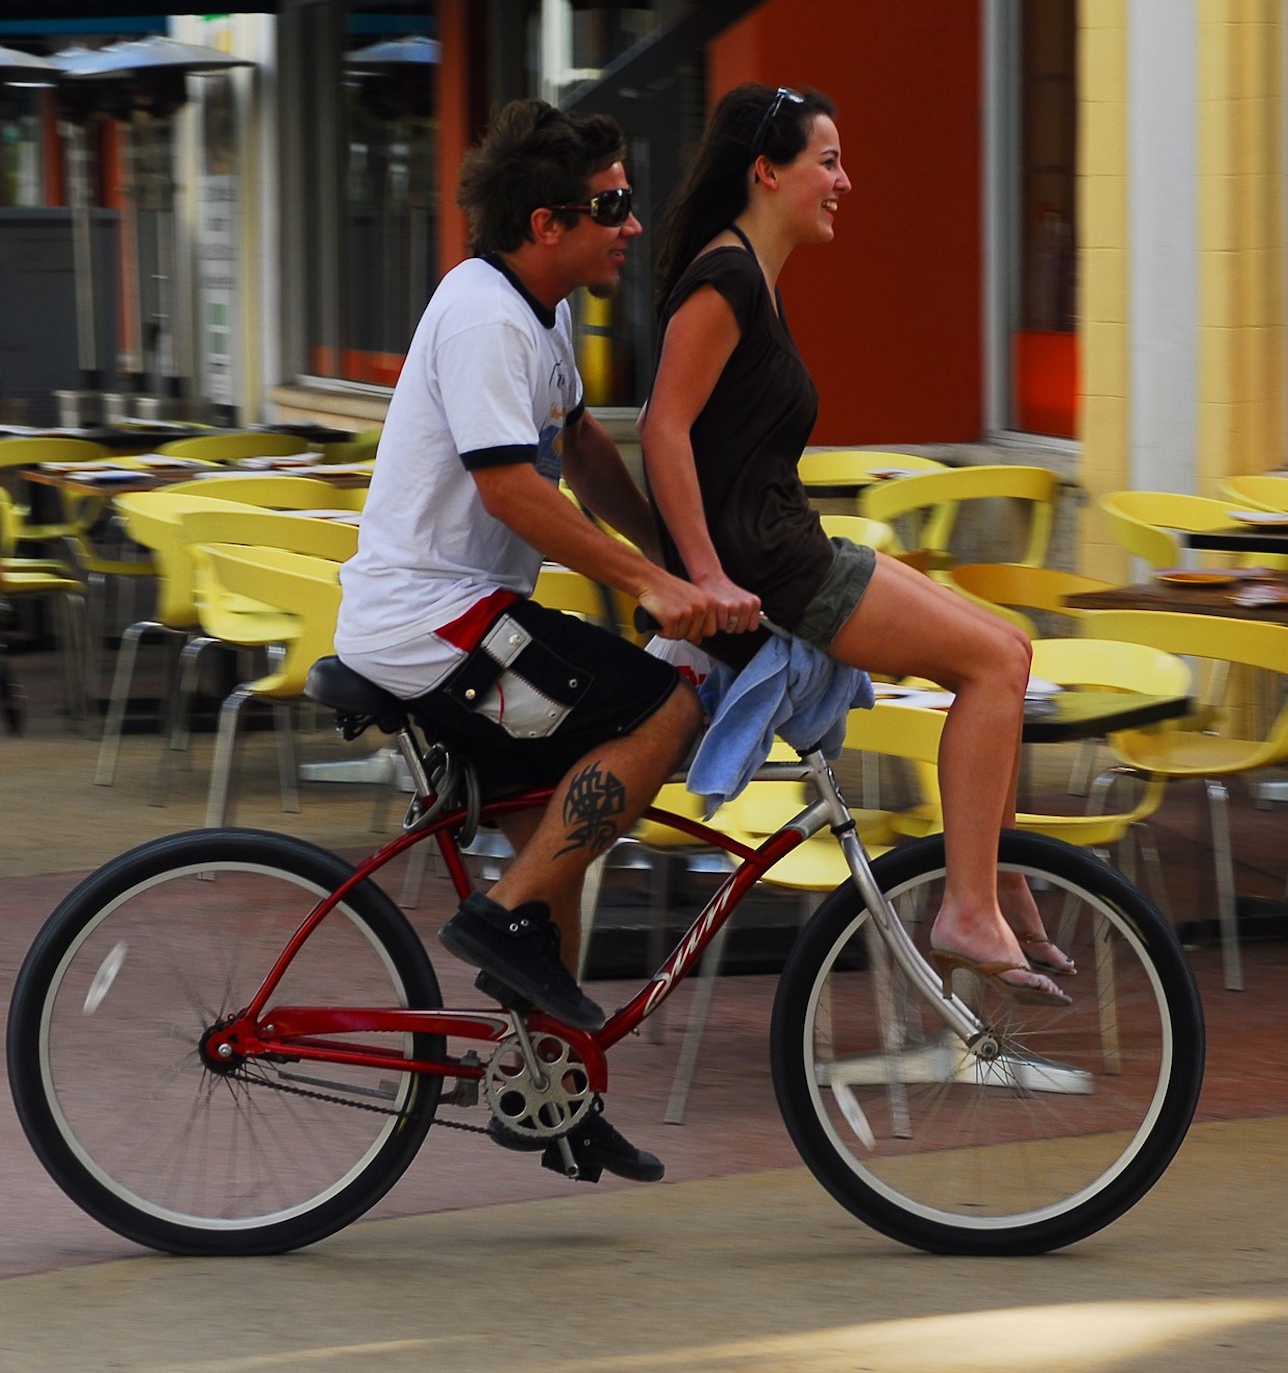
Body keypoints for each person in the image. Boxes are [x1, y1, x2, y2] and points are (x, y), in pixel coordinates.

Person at [335, 99, 720, 1183]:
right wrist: (651, 585)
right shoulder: (484, 318)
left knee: (568, 829)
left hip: (463, 617)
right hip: (432, 624)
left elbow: (582, 448)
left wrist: (678, 561)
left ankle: (554, 1089)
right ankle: (499, 924)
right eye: (612, 206)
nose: (632, 225)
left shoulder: (540, 314)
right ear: (546, 224)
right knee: (662, 705)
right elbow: (509, 488)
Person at [641, 82, 1069, 1006]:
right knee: (995, 667)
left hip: (788, 550)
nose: (846, 180)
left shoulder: (749, 275)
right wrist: (704, 574)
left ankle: (993, 883)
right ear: (769, 171)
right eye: (827, 161)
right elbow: (662, 430)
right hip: (773, 568)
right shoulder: (727, 279)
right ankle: (965, 905)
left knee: (1011, 650)